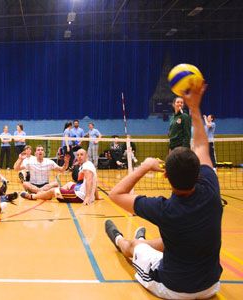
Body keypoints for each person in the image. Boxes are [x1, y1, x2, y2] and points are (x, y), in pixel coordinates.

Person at [105, 83, 223, 299]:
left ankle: (121, 240)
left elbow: (115, 194)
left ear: (166, 176)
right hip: (212, 285)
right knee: (166, 242)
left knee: (135, 247)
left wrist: (145, 165)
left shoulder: (164, 209)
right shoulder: (212, 191)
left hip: (173, 288)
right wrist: (195, 109)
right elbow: (201, 147)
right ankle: (141, 241)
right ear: (200, 173)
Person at [20, 149, 100, 205]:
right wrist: (96, 197)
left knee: (53, 191)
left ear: (86, 156)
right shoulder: (88, 164)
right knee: (70, 183)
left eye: (81, 155)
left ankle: (33, 196)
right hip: (82, 191)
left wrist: (87, 197)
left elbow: (89, 181)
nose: (79, 156)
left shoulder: (86, 167)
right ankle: (48, 193)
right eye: (78, 155)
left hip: (80, 196)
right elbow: (94, 182)